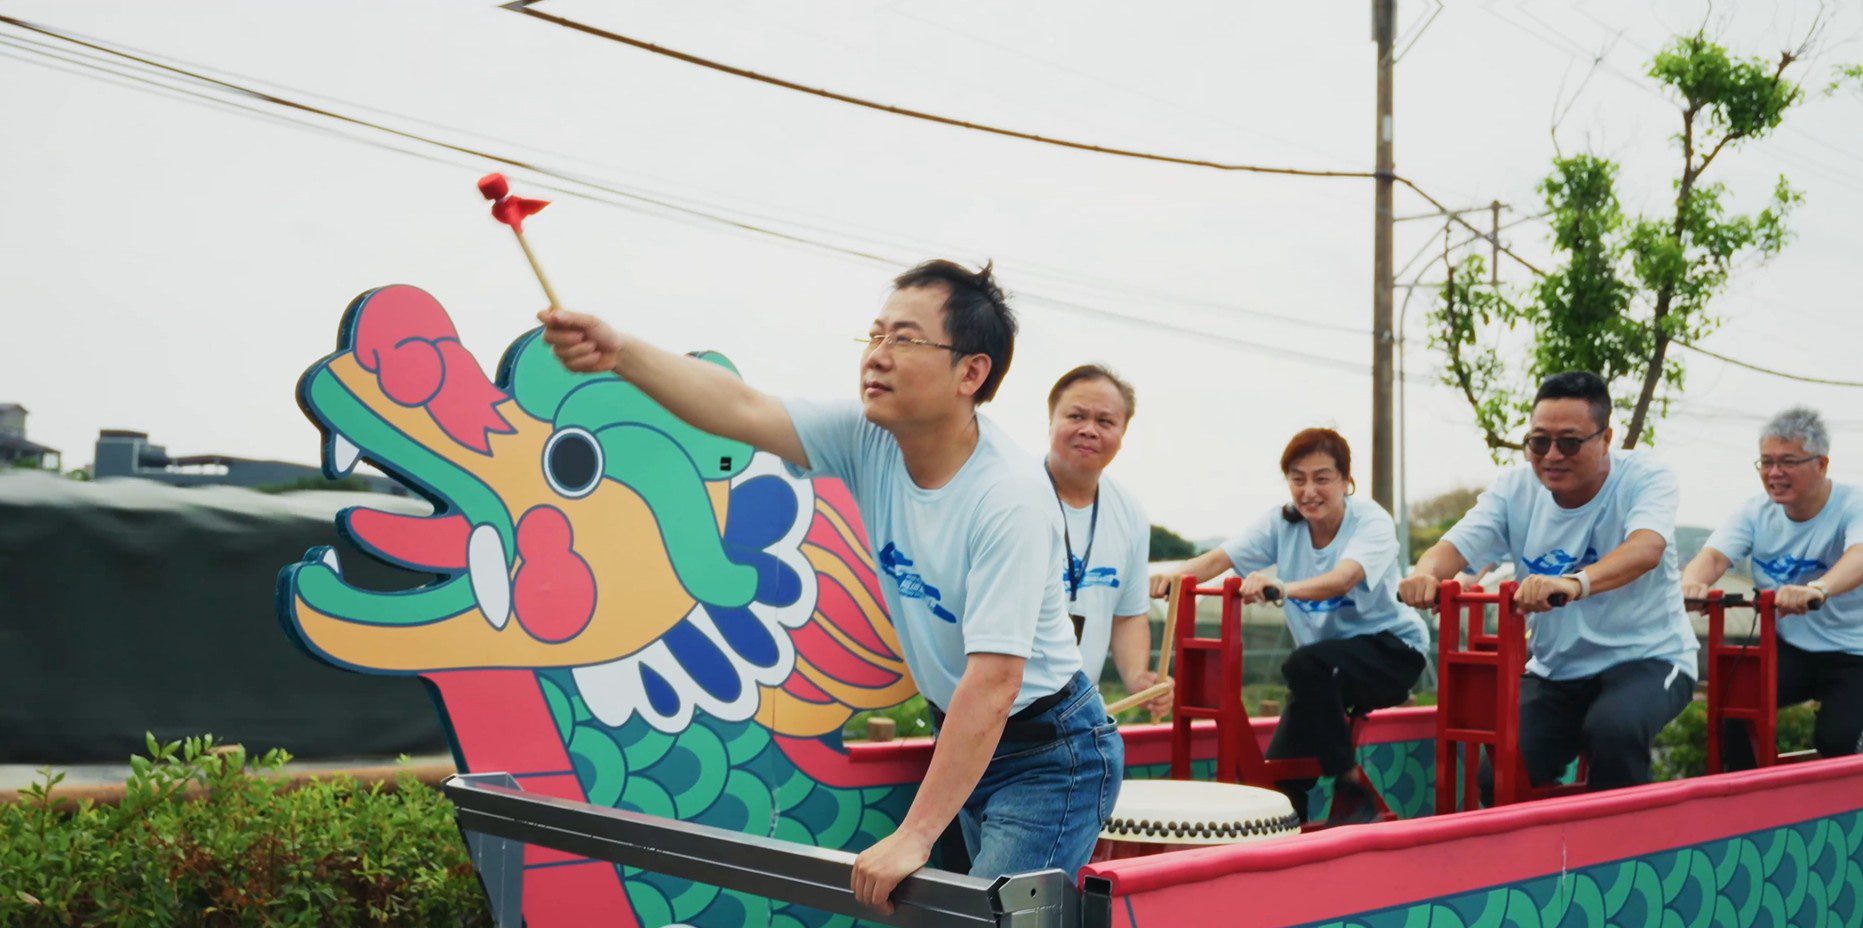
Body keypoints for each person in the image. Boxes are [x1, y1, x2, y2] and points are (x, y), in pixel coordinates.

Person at [537, 260, 1121, 914]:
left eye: (905, 338)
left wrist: (915, 834)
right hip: (966, 737)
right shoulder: (869, 437)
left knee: (987, 920)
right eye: (875, 335)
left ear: (970, 373)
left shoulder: (1008, 497)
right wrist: (619, 352)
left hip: (1046, 753)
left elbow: (994, 681)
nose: (878, 355)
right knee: (958, 917)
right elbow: (742, 406)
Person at [1398, 371, 1696, 799]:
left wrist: (1574, 583)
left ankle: (1624, 839)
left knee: (1613, 731)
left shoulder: (1645, 477)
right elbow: (1453, 548)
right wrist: (1424, 575)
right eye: (1539, 442)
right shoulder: (1514, 490)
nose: (1552, 456)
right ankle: (1545, 842)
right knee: (1499, 774)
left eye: (1569, 443)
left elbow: (1646, 548)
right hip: (1559, 670)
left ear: (1606, 439)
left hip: (1650, 658)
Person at [1149, 428, 1427, 824]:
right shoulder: (1282, 523)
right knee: (1279, 786)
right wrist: (1175, 577)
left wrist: (1281, 587)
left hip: (1393, 653)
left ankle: (1350, 782)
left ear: (1346, 481)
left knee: (1303, 664)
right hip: (1324, 672)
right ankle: (1286, 843)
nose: (1309, 491)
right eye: (1298, 479)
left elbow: (1344, 578)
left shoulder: (1371, 522)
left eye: (1322, 478)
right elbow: (1221, 558)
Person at [1681, 406, 1863, 767]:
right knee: (1733, 705)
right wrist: (1692, 584)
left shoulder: (1852, 504)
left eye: (1788, 462)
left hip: (1855, 651)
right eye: (1766, 462)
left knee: (1836, 740)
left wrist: (1818, 589)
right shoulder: (1755, 512)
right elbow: (1713, 556)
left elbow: (1859, 555)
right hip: (1793, 646)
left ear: (1821, 464)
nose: (1774, 473)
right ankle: (1750, 797)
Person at [1041, 364, 1170, 715]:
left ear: (1123, 432)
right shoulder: (1013, 495)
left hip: (1080, 712)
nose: (1089, 429)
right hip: (1003, 707)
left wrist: (1138, 678)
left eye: (1105, 421)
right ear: (1050, 420)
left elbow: (1128, 615)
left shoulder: (1129, 512)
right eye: (1076, 416)